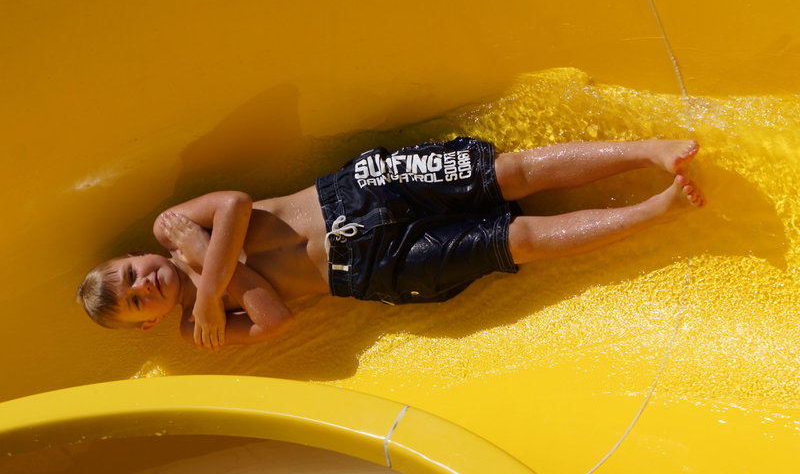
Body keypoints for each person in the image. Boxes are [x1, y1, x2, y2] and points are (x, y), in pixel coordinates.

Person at [77, 137, 705, 350]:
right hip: (373, 269)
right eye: (137, 302)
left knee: (507, 173)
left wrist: (207, 275)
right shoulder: (199, 326)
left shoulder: (171, 225)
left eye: (131, 274)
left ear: (135, 256)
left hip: (356, 193)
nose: (143, 285)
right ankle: (656, 210)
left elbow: (236, 205)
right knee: (518, 240)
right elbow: (274, 319)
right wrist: (212, 286)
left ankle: (647, 152)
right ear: (149, 324)